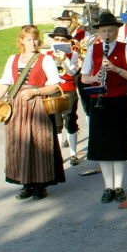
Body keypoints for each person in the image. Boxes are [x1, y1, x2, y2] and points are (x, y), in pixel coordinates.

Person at [0, 25, 66, 200]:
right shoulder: (13, 60)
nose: (33, 42)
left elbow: (55, 85)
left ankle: (40, 185)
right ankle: (25, 184)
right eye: (29, 39)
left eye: (36, 39)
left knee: (39, 144)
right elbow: (5, 84)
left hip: (37, 107)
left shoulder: (45, 60)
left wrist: (35, 92)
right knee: (19, 144)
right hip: (16, 108)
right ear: (22, 41)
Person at [80, 12, 127, 203]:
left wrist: (116, 69)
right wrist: (95, 77)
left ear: (117, 32)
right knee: (103, 146)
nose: (107, 34)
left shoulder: (126, 49)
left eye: (111, 31)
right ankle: (108, 186)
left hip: (118, 101)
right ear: (99, 32)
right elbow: (83, 78)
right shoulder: (93, 49)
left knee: (118, 145)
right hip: (99, 99)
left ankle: (119, 186)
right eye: (103, 31)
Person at [46, 26, 82, 165]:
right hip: (54, 89)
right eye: (56, 40)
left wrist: (65, 60)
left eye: (62, 40)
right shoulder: (48, 55)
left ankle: (73, 154)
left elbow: (73, 72)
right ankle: (59, 154)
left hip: (68, 89)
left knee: (70, 119)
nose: (59, 42)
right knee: (56, 122)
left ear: (67, 42)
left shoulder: (72, 54)